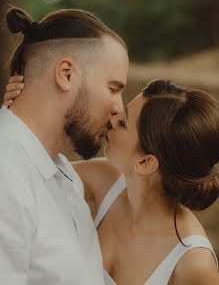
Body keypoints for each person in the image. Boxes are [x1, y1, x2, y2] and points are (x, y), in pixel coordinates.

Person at [5, 78, 219, 284]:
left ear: (145, 162)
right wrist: (18, 115)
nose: (112, 117)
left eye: (123, 122)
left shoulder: (194, 263)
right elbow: (20, 170)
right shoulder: (105, 179)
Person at [0, 7, 128, 285]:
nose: (119, 108)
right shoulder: (6, 175)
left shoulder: (61, 170)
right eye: (113, 88)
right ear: (66, 74)